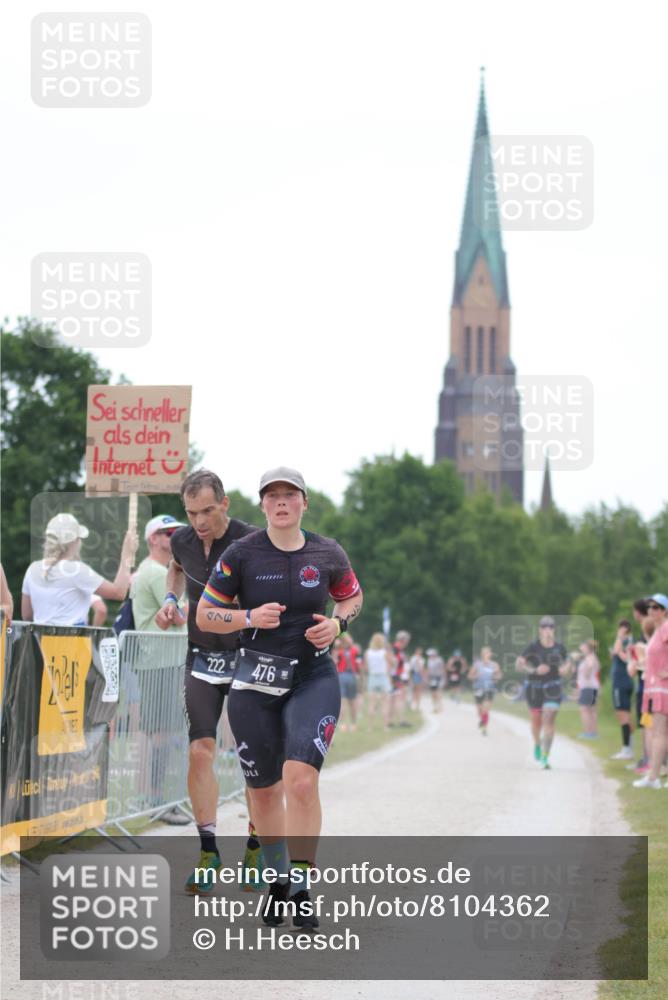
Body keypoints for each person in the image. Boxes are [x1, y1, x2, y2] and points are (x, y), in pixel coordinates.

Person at [196, 467, 363, 930]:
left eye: (290, 495)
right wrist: (248, 615)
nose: (281, 502)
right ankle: (277, 881)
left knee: (302, 781)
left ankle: (303, 888)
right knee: (264, 791)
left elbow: (351, 597)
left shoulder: (327, 552)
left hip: (313, 675)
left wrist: (338, 623)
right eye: (273, 496)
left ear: (304, 503)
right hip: (255, 681)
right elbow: (207, 615)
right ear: (263, 505)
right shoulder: (241, 554)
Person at [153, 470, 259, 891]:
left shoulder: (252, 541)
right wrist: (169, 600)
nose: (199, 521)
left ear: (225, 504)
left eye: (207, 511)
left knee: (253, 758)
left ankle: (256, 846)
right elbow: (176, 570)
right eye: (191, 512)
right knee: (200, 751)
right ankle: (209, 851)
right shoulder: (181, 540)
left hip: (247, 658)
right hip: (200, 655)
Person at [131, 514, 189, 826]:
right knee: (161, 736)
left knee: (161, 734)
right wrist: (204, 603)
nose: (174, 538)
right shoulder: (155, 571)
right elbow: (179, 615)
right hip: (162, 661)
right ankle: (157, 801)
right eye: (168, 533)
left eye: (178, 532)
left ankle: (157, 800)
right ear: (153, 538)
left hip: (162, 660)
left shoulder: (156, 570)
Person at [21, 512, 137, 626]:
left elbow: (27, 615)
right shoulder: (77, 570)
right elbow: (119, 593)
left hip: (39, 642)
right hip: (73, 643)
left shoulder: (32, 569)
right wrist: (127, 553)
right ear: (74, 541)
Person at [516, 615, 571, 769]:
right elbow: (519, 665)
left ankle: (546, 757)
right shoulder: (533, 647)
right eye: (545, 627)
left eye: (551, 627)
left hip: (553, 687)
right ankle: (537, 744)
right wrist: (534, 670)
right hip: (534, 687)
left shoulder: (560, 647)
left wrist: (565, 669)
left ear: (554, 629)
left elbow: (567, 665)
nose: (548, 630)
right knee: (536, 721)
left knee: (549, 719)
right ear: (540, 630)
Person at [633, 594, 668, 789]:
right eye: (649, 607)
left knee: (659, 732)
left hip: (664, 687)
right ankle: (653, 775)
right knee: (658, 732)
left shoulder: (666, 628)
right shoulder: (657, 631)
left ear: (664, 610)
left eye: (656, 607)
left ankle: (653, 777)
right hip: (654, 686)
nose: (652, 610)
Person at [609, 620, 635, 761]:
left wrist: (619, 637)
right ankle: (629, 747)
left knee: (623, 716)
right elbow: (614, 653)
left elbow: (621, 654)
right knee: (625, 716)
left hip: (622, 682)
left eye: (621, 629)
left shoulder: (627, 641)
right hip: (622, 682)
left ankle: (627, 749)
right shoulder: (624, 642)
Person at [468, 646, 502, 735]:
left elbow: (499, 676)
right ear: (482, 655)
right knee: (479, 710)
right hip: (478, 688)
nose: (486, 655)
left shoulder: (494, 665)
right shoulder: (477, 665)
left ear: (490, 654)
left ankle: (485, 728)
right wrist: (476, 676)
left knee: (485, 709)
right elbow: (470, 676)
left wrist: (496, 676)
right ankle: (482, 720)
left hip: (489, 689)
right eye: (484, 653)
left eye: (488, 653)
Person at [364, 632, 393, 731]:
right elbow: (392, 663)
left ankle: (369, 727)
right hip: (383, 677)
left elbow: (366, 667)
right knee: (385, 703)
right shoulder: (384, 652)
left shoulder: (368, 653)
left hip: (372, 677)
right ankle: (385, 726)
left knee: (372, 704)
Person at [575, 639, 600, 739]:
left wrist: (587, 673)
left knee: (584, 709)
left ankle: (588, 733)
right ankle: (593, 732)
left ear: (588, 648)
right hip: (591, 687)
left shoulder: (590, 657)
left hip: (588, 687)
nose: (581, 647)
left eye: (583, 646)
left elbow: (590, 666)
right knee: (591, 710)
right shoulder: (591, 657)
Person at [335, 633, 360, 732]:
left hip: (343, 675)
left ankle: (345, 724)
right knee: (349, 702)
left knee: (346, 702)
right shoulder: (354, 650)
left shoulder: (339, 650)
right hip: (348, 675)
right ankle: (351, 724)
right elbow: (359, 664)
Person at [389, 630, 411, 726]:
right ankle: (400, 720)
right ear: (403, 640)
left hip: (397, 676)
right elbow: (392, 663)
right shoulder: (395, 649)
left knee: (395, 698)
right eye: (407, 641)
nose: (407, 643)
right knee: (397, 698)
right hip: (394, 677)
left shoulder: (400, 650)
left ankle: (391, 721)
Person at [426, 647, 446, 713]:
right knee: (433, 694)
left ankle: (440, 707)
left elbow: (443, 669)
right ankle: (435, 707)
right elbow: (429, 670)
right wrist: (427, 678)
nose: (430, 656)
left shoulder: (439, 660)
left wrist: (444, 678)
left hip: (438, 677)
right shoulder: (429, 661)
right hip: (432, 678)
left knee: (438, 692)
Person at [409, 645, 426, 711]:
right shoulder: (413, 658)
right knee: (415, 689)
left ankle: (418, 704)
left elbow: (422, 667)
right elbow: (411, 667)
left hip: (420, 674)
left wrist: (423, 675)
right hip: (415, 673)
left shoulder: (422, 659)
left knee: (419, 690)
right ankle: (413, 703)